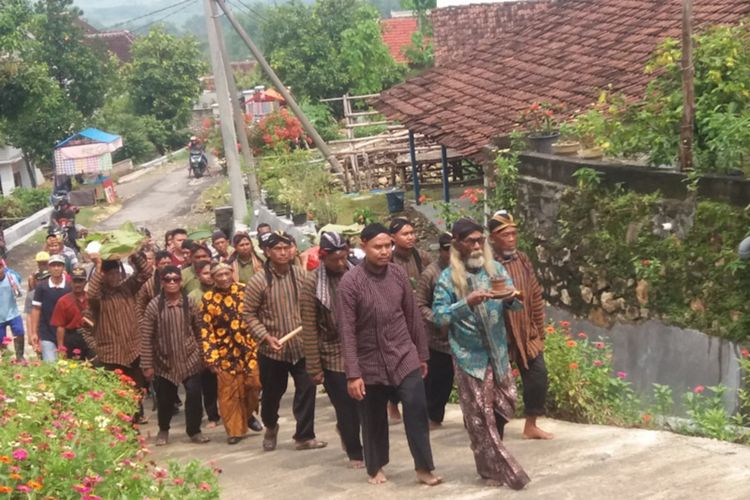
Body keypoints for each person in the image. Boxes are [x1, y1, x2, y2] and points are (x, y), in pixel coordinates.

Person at [337, 223, 440, 486]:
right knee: (372, 417)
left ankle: (424, 467)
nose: (384, 252)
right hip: (369, 359)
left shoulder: (397, 275)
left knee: (416, 408)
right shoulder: (350, 283)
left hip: (403, 354)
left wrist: (422, 354)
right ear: (363, 247)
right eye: (378, 247)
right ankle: (375, 467)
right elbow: (347, 331)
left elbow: (413, 315)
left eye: (387, 246)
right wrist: (353, 374)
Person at [432, 218, 530, 490]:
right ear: (458, 244)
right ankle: (492, 470)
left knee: (504, 407)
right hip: (469, 358)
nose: (476, 246)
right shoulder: (447, 279)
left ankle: (495, 455)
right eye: (470, 241)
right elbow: (439, 317)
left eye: (480, 240)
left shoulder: (495, 268)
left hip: (498, 355)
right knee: (479, 419)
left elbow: (513, 303)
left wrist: (511, 297)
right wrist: (466, 303)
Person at [243, 231, 325, 452]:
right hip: (272, 351)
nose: (282, 252)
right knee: (271, 396)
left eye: (286, 248)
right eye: (277, 249)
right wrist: (265, 336)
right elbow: (248, 314)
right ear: (267, 252)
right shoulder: (258, 281)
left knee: (307, 390)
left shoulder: (302, 275)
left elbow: (315, 304)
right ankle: (270, 426)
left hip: (301, 346)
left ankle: (304, 435)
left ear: (292, 250)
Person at [301, 232, 363, 468]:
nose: (339, 263)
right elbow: (309, 325)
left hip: (360, 346)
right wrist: (314, 367)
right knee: (346, 406)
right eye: (334, 259)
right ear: (323, 257)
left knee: (365, 404)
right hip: (332, 351)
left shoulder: (357, 273)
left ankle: (367, 444)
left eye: (342, 257)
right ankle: (355, 452)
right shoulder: (312, 282)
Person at [488, 210, 552, 440]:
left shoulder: (522, 259)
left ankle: (531, 424)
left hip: (526, 332)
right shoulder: (487, 264)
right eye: (506, 235)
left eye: (514, 234)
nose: (512, 239)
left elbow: (534, 293)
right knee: (498, 388)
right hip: (500, 335)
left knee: (538, 376)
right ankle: (493, 431)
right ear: (493, 238)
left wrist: (539, 330)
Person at [141, 266, 210, 446]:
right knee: (165, 400)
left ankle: (194, 430)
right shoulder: (154, 306)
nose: (172, 283)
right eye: (168, 279)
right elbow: (147, 337)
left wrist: (204, 355)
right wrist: (147, 365)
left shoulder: (190, 303)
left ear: (181, 282)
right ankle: (164, 430)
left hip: (190, 358)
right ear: (162, 283)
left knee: (194, 396)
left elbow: (200, 331)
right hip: (164, 361)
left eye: (176, 279)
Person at [199, 263, 262, 444]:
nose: (224, 278)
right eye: (219, 275)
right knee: (228, 394)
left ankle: (248, 414)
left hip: (249, 349)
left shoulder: (245, 290)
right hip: (224, 353)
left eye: (226, 274)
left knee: (254, 384)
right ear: (213, 278)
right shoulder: (208, 299)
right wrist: (211, 357)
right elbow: (206, 330)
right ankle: (234, 431)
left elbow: (257, 316)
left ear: (232, 273)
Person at [88, 251, 152, 422]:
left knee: (136, 389)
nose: (115, 276)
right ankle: (122, 424)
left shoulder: (128, 287)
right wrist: (99, 266)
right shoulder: (100, 297)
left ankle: (135, 421)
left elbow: (146, 273)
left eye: (117, 272)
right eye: (110, 274)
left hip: (133, 349)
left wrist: (135, 253)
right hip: (111, 353)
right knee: (116, 392)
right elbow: (92, 294)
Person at [387, 217, 432, 423]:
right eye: (405, 234)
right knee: (397, 364)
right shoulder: (387, 260)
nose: (411, 237)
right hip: (395, 320)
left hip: (419, 318)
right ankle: (392, 402)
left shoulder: (422, 257)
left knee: (420, 362)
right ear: (393, 237)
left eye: (412, 233)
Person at [415, 232, 454, 429]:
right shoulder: (430, 273)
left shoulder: (466, 270)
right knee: (438, 381)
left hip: (461, 335)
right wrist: (438, 318)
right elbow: (420, 305)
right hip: (437, 338)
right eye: (448, 249)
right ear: (441, 250)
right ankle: (432, 417)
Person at [30, 255, 71, 362]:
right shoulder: (42, 287)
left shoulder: (69, 287)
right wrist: (34, 332)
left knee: (67, 365)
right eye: (53, 265)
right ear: (49, 268)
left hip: (66, 334)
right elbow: (36, 309)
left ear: (63, 268)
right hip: (46, 333)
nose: (56, 268)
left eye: (59, 265)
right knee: (50, 365)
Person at [50, 267, 94, 361]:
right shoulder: (63, 301)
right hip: (72, 337)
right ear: (70, 282)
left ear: (85, 283)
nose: (77, 284)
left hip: (90, 336)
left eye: (80, 281)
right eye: (75, 281)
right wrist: (61, 347)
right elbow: (60, 327)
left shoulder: (92, 299)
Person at [136, 250, 173, 321]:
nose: (166, 265)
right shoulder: (148, 283)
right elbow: (140, 305)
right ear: (156, 265)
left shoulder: (179, 279)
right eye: (163, 263)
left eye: (169, 263)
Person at [0, 259, 25, 360]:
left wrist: (15, 287)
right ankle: (4, 359)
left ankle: (20, 356)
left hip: (13, 312)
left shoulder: (11, 277)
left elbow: (19, 294)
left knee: (19, 333)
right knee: (1, 341)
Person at [25, 252, 49, 347]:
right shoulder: (33, 277)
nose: (43, 265)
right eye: (40, 263)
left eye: (45, 263)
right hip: (38, 325)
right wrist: (30, 334)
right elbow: (29, 315)